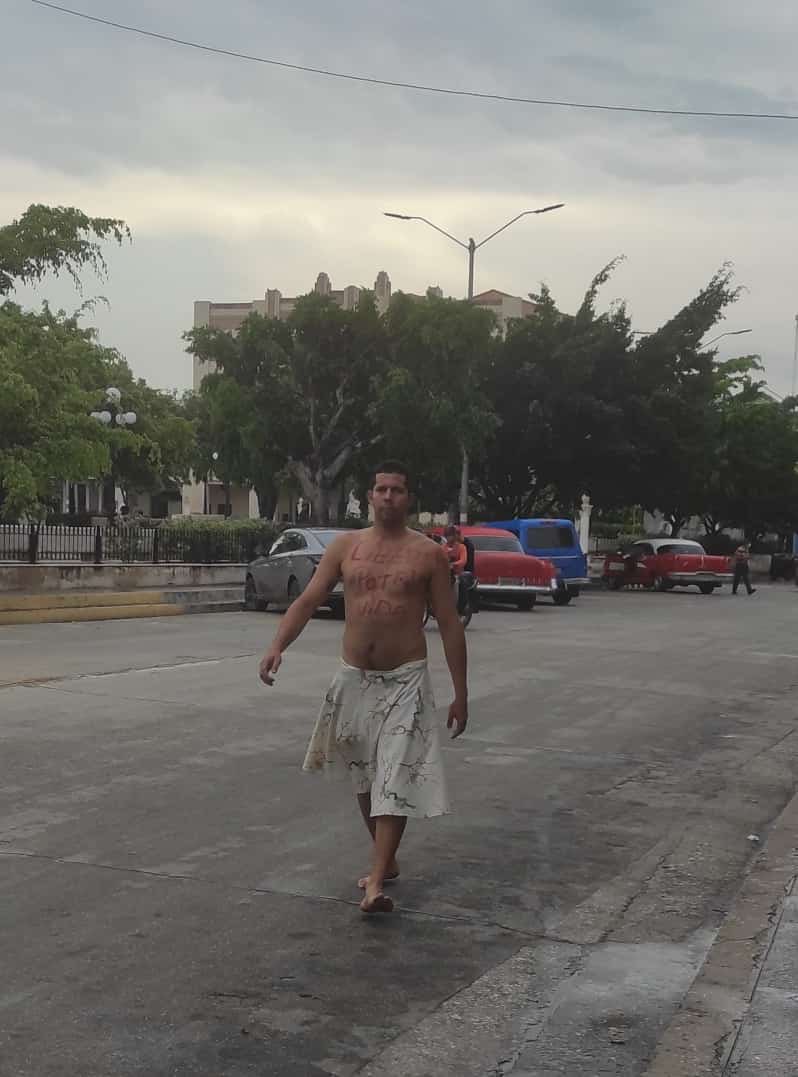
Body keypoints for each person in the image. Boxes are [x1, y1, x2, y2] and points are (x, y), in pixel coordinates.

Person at [259, 461, 468, 915]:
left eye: (397, 490)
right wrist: (278, 645)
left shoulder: (428, 555)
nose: (388, 497)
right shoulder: (345, 547)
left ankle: (374, 882)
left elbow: (450, 624)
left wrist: (460, 692)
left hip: (405, 679)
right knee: (364, 775)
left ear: (408, 498)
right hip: (353, 677)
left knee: (394, 775)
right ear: (370, 497)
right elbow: (310, 598)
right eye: (381, 489)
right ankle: (386, 859)